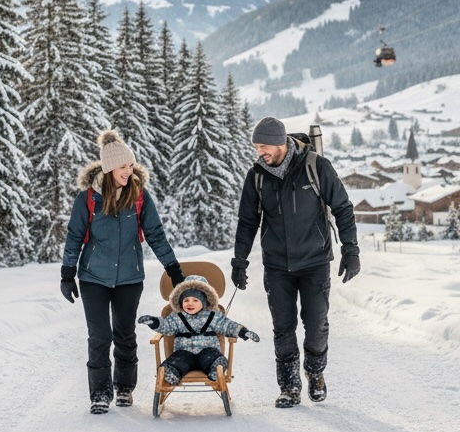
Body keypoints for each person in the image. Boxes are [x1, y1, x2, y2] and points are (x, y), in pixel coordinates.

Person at [231, 117, 361, 408]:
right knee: (283, 327)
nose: (259, 152)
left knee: (316, 325)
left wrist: (351, 251)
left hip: (315, 262)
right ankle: (289, 386)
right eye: (256, 147)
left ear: (279, 143)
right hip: (277, 265)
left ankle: (315, 372)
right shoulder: (257, 176)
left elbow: (342, 207)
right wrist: (239, 260)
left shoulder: (316, 166)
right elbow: (247, 221)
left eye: (263, 146)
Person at [60, 130, 186, 415]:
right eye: (123, 167)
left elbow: (155, 234)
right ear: (108, 168)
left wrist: (173, 268)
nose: (128, 172)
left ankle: (125, 388)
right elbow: (74, 236)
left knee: (125, 334)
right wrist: (67, 273)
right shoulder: (88, 199)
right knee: (100, 336)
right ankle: (100, 394)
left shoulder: (139, 195)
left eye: (131, 165)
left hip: (129, 277)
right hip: (93, 278)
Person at [137, 275, 260, 385]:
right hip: (184, 351)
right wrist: (154, 322)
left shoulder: (213, 315)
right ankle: (171, 371)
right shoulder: (177, 315)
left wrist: (243, 332)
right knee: (177, 360)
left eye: (195, 300)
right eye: (186, 300)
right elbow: (167, 326)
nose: (190, 304)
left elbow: (227, 325)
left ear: (204, 301)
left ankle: (216, 368)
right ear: (181, 301)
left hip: (207, 350)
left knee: (212, 357)